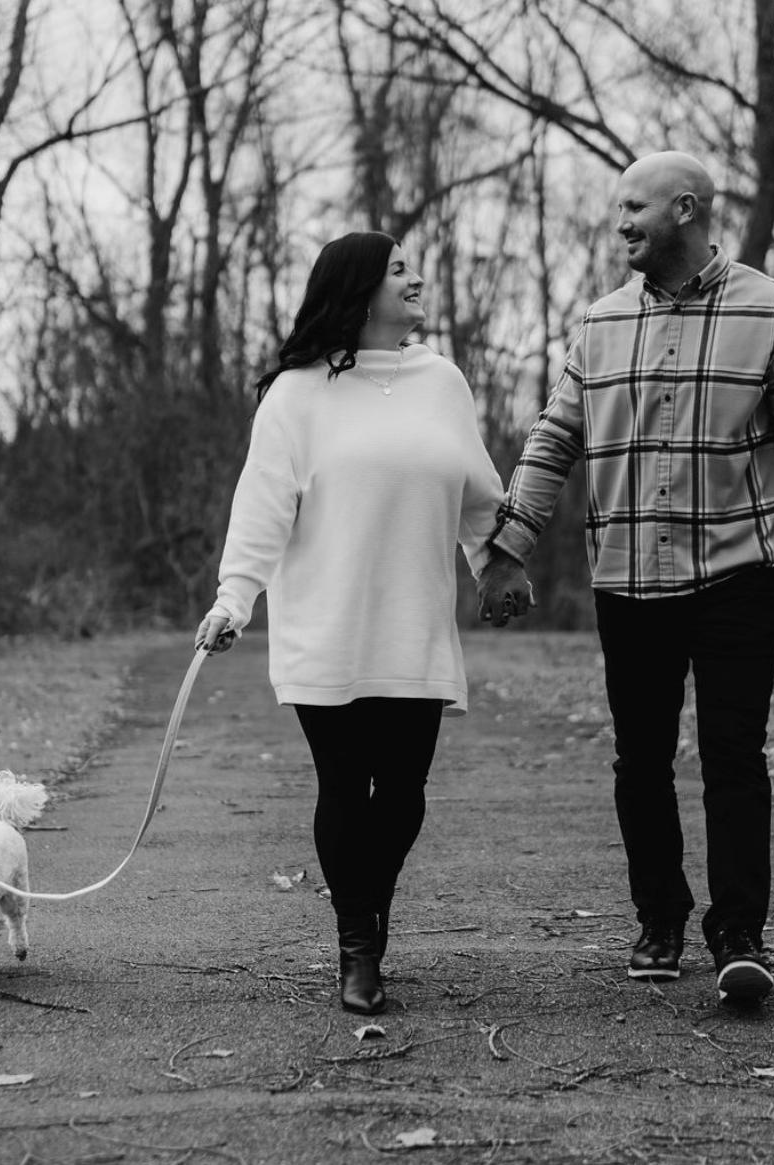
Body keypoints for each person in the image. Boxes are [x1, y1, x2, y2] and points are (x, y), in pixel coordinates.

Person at [478, 151, 774, 1005]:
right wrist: (509, 548)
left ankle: (739, 931)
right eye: (617, 211)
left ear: (686, 210)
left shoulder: (770, 307)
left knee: (733, 755)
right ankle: (660, 915)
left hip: (735, 578)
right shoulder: (602, 324)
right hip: (629, 581)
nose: (620, 226)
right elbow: (553, 440)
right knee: (639, 759)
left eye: (634, 209)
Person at [195, 231, 504, 1016]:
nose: (418, 277)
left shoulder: (443, 381)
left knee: (402, 792)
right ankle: (358, 947)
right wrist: (235, 599)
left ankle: (367, 911)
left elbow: (477, 494)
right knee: (344, 782)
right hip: (325, 624)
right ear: (359, 288)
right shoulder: (297, 393)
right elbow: (261, 507)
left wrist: (499, 563)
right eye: (400, 269)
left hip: (416, 621)